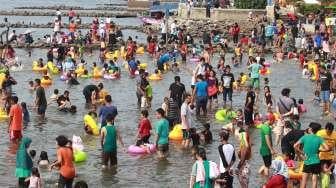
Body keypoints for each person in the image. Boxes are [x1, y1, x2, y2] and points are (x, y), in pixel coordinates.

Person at [294, 122, 329, 188]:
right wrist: (320, 150)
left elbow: (295, 145)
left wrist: (302, 152)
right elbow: (327, 148)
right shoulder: (319, 138)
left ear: (311, 129)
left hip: (307, 161)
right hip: (316, 161)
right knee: (314, 180)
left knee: (304, 180)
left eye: (309, 127)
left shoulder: (305, 137)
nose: (309, 128)